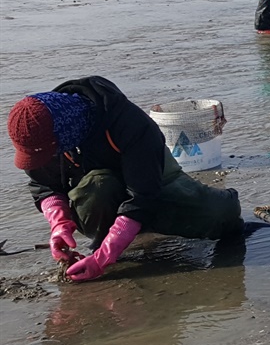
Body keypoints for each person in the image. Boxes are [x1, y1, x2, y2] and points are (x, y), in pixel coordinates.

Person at [9, 76, 244, 282]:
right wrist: (59, 226)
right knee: (99, 185)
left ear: (64, 133)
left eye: (47, 151)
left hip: (155, 182)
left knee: (221, 213)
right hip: (102, 190)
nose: (44, 158)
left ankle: (128, 234)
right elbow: (44, 185)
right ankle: (108, 238)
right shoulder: (42, 139)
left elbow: (144, 196)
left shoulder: (129, 123)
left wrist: (103, 257)